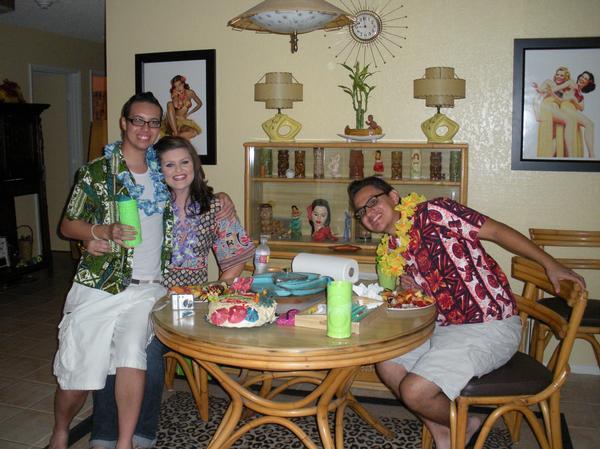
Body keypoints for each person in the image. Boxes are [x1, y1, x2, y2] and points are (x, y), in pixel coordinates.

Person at [347, 176, 586, 449]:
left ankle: (467, 424)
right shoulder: (393, 246)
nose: (368, 213)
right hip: (443, 329)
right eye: (361, 211)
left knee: (414, 391)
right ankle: (443, 432)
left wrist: (550, 263)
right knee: (388, 365)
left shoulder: (435, 212)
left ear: (393, 196)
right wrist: (414, 289)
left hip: (490, 325)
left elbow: (496, 232)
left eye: (372, 202)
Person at [84, 135, 253, 449]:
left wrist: (212, 296)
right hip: (145, 294)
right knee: (113, 342)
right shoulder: (148, 205)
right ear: (156, 170)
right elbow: (106, 231)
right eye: (169, 165)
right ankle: (105, 433)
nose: (179, 170)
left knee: (145, 351)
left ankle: (142, 433)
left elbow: (236, 259)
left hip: (190, 304)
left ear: (195, 165)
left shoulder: (215, 205)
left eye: (184, 162)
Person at [49, 92, 171, 449]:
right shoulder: (97, 172)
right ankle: (61, 430)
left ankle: (124, 442)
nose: (145, 129)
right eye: (138, 120)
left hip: (148, 288)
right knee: (78, 374)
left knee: (133, 354)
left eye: (153, 122)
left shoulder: (163, 172)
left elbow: (192, 190)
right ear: (123, 123)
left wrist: (221, 201)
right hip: (100, 284)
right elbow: (67, 225)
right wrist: (99, 232)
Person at [164, 75, 202, 140]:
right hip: (173, 121)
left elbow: (199, 104)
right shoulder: (174, 93)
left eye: (179, 85)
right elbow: (176, 105)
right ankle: (175, 133)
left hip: (183, 121)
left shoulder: (190, 93)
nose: (178, 88)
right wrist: (176, 95)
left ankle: (174, 137)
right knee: (169, 103)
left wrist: (189, 113)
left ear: (183, 83)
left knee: (194, 132)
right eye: (176, 86)